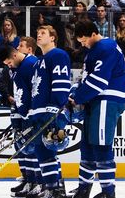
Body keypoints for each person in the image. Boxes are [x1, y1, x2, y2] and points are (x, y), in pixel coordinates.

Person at [70, 20, 125, 198]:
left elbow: (99, 81)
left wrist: (77, 97)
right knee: (88, 146)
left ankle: (108, 192)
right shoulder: (94, 50)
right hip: (96, 99)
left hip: (107, 98)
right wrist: (76, 92)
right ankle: (84, 188)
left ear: (92, 34)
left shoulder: (106, 47)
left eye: (83, 41)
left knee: (101, 145)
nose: (82, 44)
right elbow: (88, 77)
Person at [28, 25, 71, 198]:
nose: (38, 35)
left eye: (43, 33)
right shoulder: (40, 60)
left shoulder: (58, 55)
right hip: (39, 112)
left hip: (51, 112)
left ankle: (55, 189)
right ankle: (53, 187)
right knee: (42, 150)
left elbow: (61, 85)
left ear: (52, 38)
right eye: (37, 33)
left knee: (47, 150)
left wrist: (55, 110)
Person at [0, 38, 41, 198]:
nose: (18, 47)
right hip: (20, 111)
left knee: (32, 148)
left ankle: (38, 182)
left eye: (21, 46)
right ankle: (29, 179)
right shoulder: (18, 66)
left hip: (30, 113)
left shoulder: (31, 64)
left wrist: (31, 111)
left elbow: (36, 89)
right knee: (23, 147)